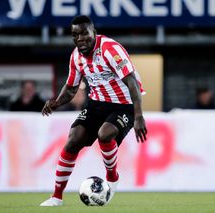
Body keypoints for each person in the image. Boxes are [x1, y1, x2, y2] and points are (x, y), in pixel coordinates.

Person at [40, 15, 147, 207]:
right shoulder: (76, 57)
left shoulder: (110, 49)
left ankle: (112, 178)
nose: (80, 39)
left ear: (94, 33)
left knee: (104, 134)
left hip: (124, 104)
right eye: (75, 35)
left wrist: (139, 116)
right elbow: (72, 88)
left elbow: (132, 83)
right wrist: (56, 102)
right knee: (73, 140)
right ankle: (56, 197)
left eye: (84, 33)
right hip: (96, 104)